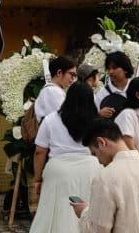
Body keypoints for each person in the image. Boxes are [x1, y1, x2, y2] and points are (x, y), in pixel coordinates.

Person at [72, 118, 139, 232]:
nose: (99, 161)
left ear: (102, 142)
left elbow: (96, 230)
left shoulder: (105, 178)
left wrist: (84, 212)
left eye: (95, 153)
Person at [30, 81, 102, 233]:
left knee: (54, 212)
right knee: (90, 210)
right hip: (91, 168)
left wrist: (37, 178)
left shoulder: (50, 119)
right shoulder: (97, 122)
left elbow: (39, 151)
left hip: (58, 170)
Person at [34, 56, 77, 121]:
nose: (73, 78)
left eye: (75, 75)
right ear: (59, 72)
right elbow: (64, 120)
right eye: (72, 74)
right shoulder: (53, 92)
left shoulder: (52, 90)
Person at [96, 51, 133, 118]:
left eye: (114, 68)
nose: (111, 72)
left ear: (125, 69)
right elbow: (93, 120)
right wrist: (99, 114)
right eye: (108, 68)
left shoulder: (137, 88)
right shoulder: (102, 94)